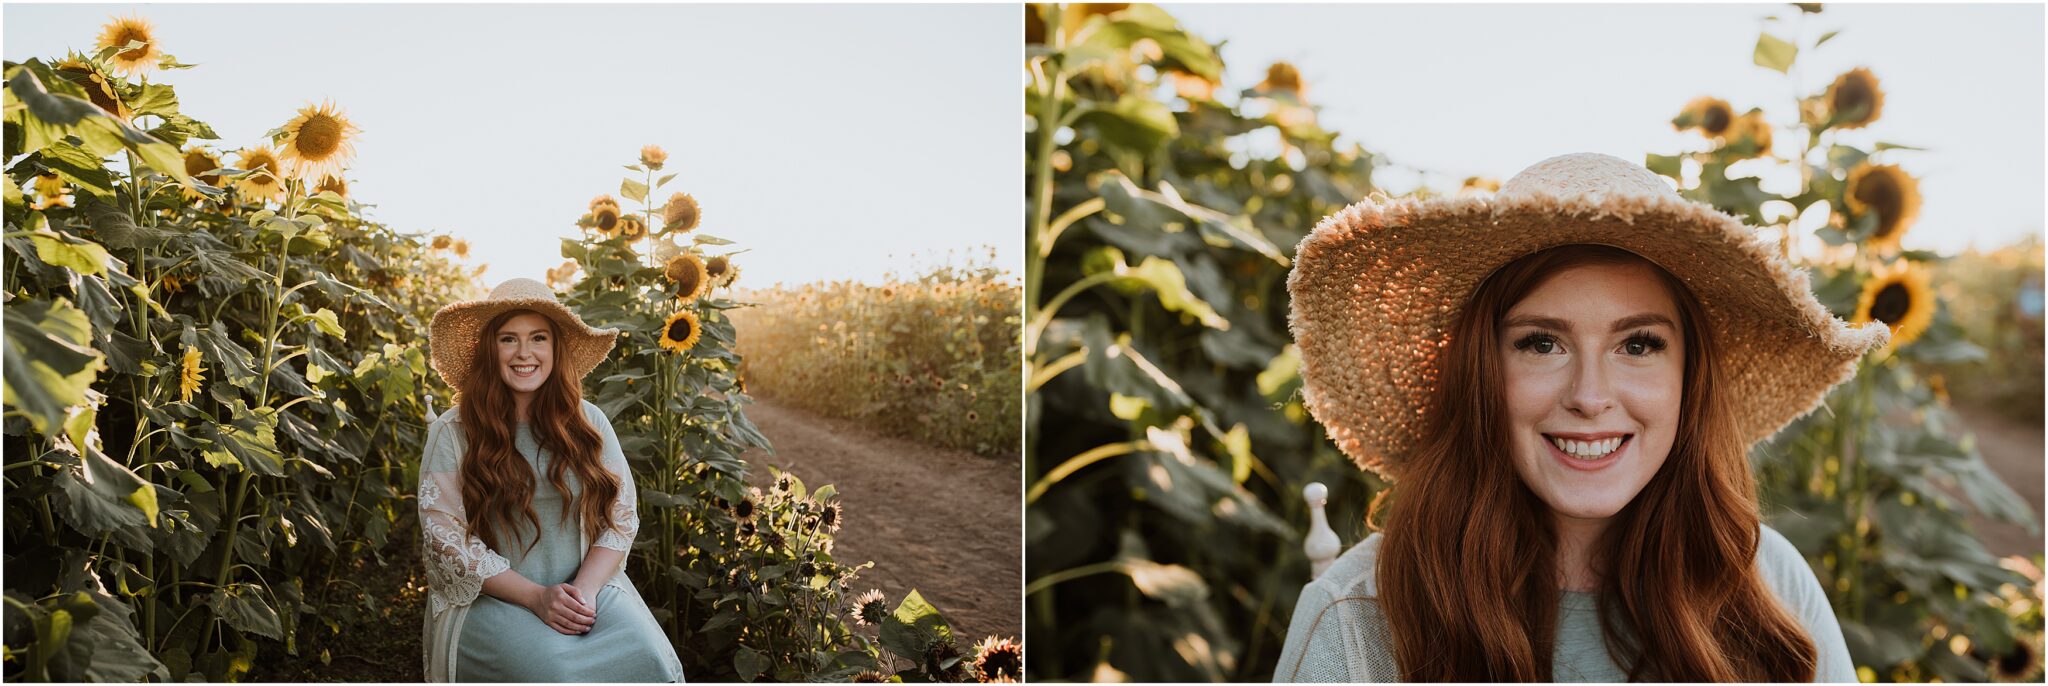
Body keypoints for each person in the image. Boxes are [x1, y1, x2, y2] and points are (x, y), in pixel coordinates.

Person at [1276, 153, 1884, 682]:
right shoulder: (1358, 618)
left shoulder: (1766, 583)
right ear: (1480, 373)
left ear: (1688, 379)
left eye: (1639, 344)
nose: (1590, 397)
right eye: (1542, 343)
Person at [417, 278, 684, 682]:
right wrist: (537, 598)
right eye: (509, 339)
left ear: (556, 348)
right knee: (554, 673)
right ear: (489, 350)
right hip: (493, 597)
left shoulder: (589, 421)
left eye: (538, 337)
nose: (524, 353)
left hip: (586, 588)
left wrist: (585, 592)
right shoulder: (454, 432)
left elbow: (620, 517)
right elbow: (446, 539)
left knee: (649, 661)